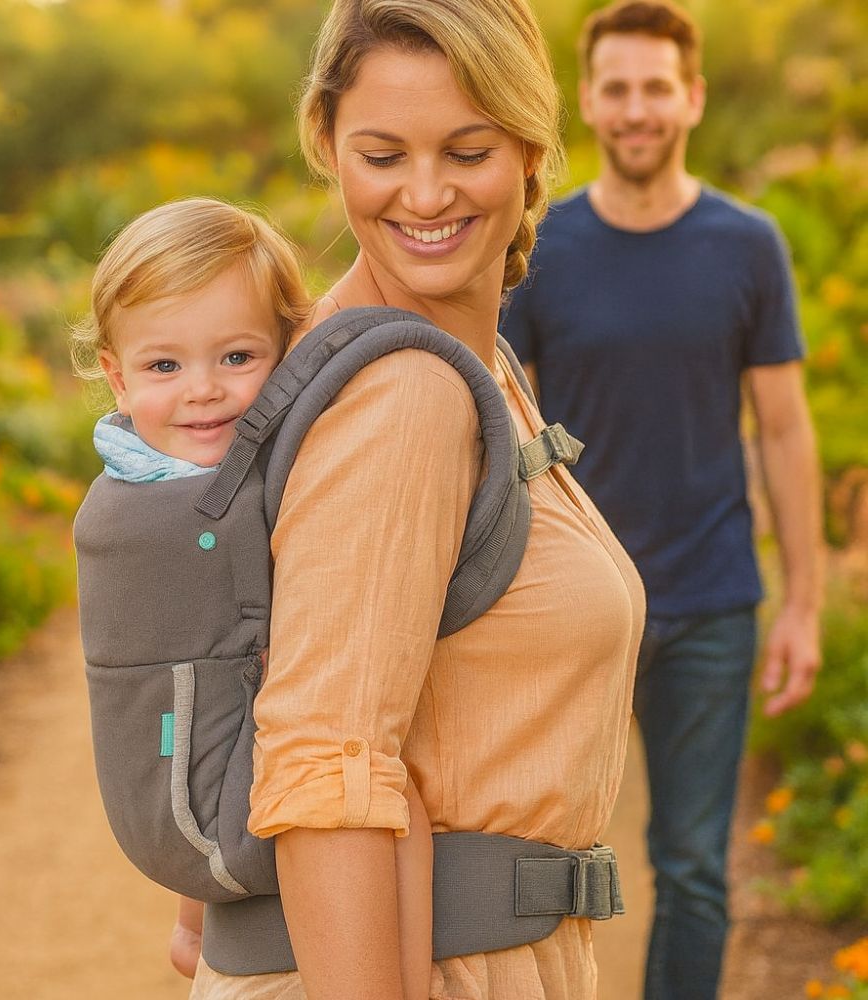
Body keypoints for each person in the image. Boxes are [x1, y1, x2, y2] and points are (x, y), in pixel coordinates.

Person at [185, 1, 645, 998]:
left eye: (467, 151)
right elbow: (325, 768)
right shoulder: (402, 396)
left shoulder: (477, 368)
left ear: (530, 148)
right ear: (326, 143)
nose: (426, 194)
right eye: (382, 155)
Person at [500, 3, 823, 998]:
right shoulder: (539, 245)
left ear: (692, 98)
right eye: (616, 88)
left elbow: (782, 428)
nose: (635, 109)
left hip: (709, 601)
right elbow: (506, 425)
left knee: (691, 869)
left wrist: (803, 603)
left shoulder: (748, 244)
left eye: (655, 87)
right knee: (537, 860)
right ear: (589, 102)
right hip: (573, 604)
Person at [70, 196, 436, 999]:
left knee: (207, 702)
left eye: (236, 357)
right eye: (165, 367)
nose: (203, 391)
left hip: (172, 819)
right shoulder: (203, 502)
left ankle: (193, 925)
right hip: (208, 825)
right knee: (386, 794)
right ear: (116, 377)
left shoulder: (135, 470)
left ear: (283, 350)